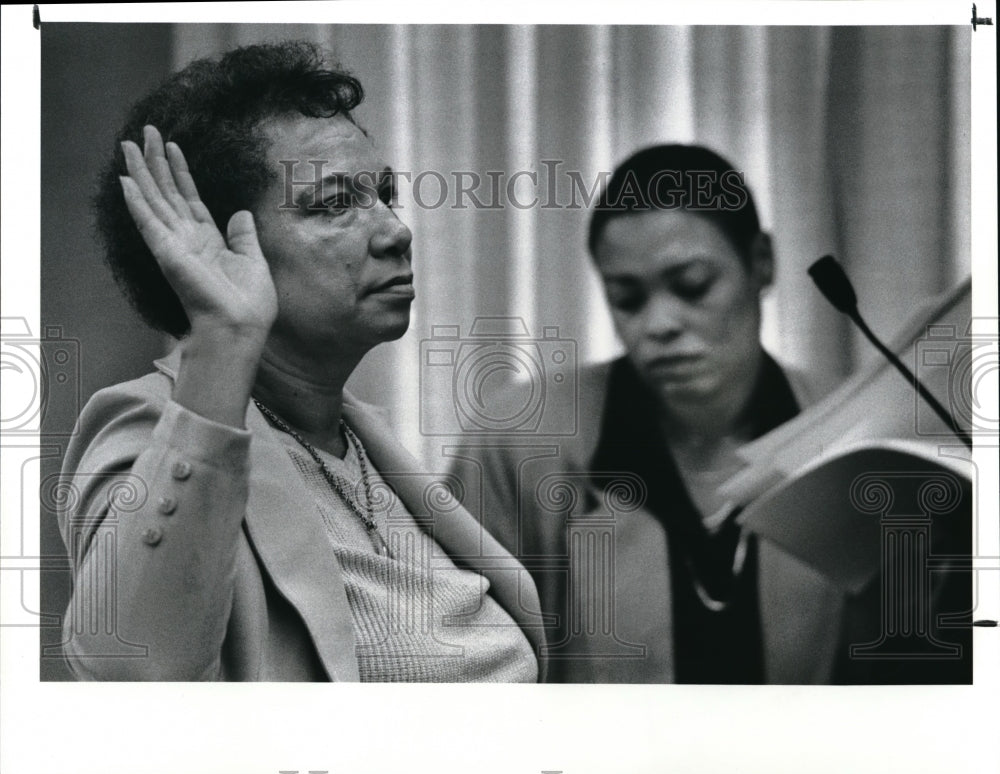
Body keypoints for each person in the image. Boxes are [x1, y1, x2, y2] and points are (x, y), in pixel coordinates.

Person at [57, 40, 544, 682]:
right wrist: (225, 335)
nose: (395, 229)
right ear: (221, 248)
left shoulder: (363, 441)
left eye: (384, 194)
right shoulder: (150, 428)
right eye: (333, 203)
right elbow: (131, 674)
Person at [448, 144, 970, 684]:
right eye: (627, 298)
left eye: (693, 286)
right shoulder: (519, 438)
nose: (659, 324)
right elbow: (459, 662)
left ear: (760, 263)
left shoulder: (858, 444)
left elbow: (908, 681)